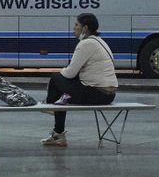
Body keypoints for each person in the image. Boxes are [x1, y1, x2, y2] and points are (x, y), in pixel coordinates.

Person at [43, 12, 118, 147]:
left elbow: (70, 73)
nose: (73, 28)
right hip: (108, 95)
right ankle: (58, 133)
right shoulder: (100, 41)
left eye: (76, 25)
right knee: (63, 96)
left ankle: (50, 106)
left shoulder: (86, 43)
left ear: (85, 28)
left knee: (55, 78)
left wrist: (61, 73)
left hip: (96, 94)